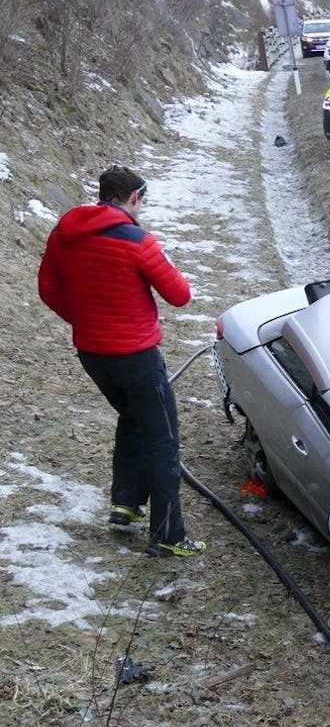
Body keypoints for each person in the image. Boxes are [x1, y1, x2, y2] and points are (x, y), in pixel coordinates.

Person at [37, 166, 205, 557]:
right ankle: (167, 536)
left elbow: (47, 288)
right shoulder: (137, 240)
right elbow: (180, 295)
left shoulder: (63, 234)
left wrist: (84, 319)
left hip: (93, 354)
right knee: (163, 441)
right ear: (134, 198)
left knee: (132, 418)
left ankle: (124, 503)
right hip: (137, 356)